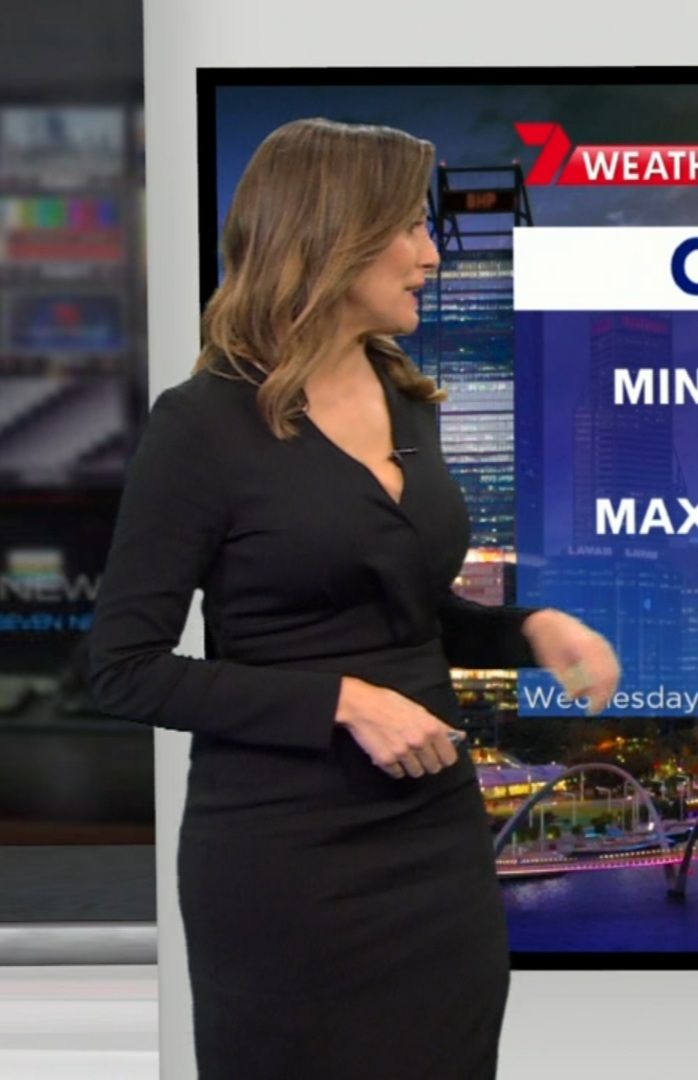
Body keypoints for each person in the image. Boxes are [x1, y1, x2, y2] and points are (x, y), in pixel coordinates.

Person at [87, 117, 620, 1080]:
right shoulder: (201, 426)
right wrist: (340, 702)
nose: (431, 254)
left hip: (436, 847)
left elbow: (405, 610)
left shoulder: (408, 398)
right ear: (332, 234)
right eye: (409, 227)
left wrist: (529, 629)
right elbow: (124, 670)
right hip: (286, 863)